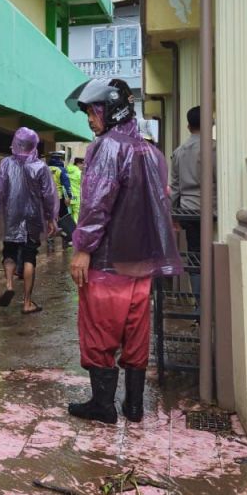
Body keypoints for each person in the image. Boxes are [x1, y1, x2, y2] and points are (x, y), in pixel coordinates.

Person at [65, 78, 182, 424]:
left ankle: (103, 406)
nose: (89, 119)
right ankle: (134, 406)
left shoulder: (107, 147)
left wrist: (83, 248)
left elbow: (97, 203)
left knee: (100, 332)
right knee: (135, 332)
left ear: (112, 111)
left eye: (93, 111)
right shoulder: (151, 152)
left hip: (107, 263)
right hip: (141, 264)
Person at [0, 127, 57, 314]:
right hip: (33, 217)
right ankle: (27, 302)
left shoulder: (6, 164)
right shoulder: (41, 167)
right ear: (34, 145)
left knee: (9, 251)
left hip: (10, 215)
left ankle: (9, 285)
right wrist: (51, 217)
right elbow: (48, 195)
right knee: (29, 256)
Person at [169, 106, 213, 256]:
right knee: (210, 253)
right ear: (210, 123)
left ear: (188, 127)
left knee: (194, 253)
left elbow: (175, 187)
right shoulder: (215, 149)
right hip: (213, 210)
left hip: (188, 210)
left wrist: (172, 213)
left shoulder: (178, 152)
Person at [48, 150, 76, 245]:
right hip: (58, 198)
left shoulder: (45, 168)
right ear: (60, 159)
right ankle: (69, 237)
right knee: (64, 217)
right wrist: (69, 196)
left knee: (49, 218)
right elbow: (67, 185)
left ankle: (50, 238)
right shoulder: (61, 170)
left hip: (46, 199)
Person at [67, 157, 84, 221]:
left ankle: (70, 226)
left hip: (69, 196)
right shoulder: (79, 173)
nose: (84, 166)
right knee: (77, 215)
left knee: (70, 214)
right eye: (83, 164)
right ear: (78, 163)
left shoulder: (67, 170)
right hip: (77, 197)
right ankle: (75, 227)